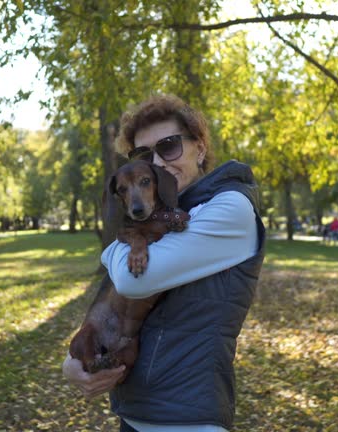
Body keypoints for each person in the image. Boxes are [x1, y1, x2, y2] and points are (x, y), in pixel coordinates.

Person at [62, 95, 266, 432]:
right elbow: (110, 299)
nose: (156, 163)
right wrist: (73, 362)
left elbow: (132, 280)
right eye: (144, 155)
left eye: (168, 147)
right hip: (135, 413)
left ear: (199, 149)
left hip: (187, 419)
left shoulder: (230, 209)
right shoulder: (162, 217)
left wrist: (119, 242)